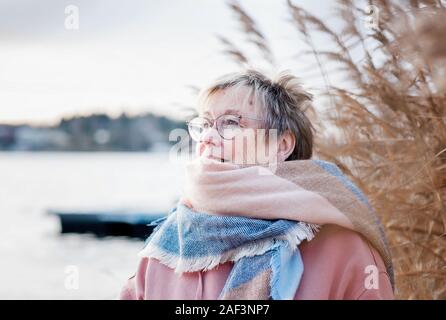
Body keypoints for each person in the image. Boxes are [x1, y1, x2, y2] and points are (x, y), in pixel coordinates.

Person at [120, 70, 394, 300]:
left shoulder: (341, 245)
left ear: (281, 145)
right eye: (204, 124)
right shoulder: (168, 245)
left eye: (229, 123)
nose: (208, 138)